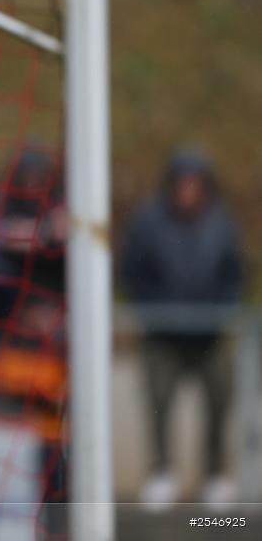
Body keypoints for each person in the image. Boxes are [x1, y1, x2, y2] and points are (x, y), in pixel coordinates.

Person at [122, 148, 243, 507]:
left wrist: (219, 310)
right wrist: (153, 307)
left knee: (221, 399)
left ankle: (216, 474)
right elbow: (132, 270)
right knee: (158, 401)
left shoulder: (221, 222)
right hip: (163, 334)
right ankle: (161, 472)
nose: (188, 192)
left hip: (210, 334)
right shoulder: (149, 222)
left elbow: (235, 273)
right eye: (182, 184)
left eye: (195, 184)